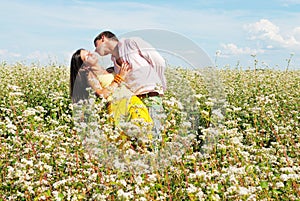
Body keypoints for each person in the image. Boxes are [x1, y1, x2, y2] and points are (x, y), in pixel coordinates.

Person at [93, 31, 167, 141]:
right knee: (139, 139)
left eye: (96, 45)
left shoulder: (131, 43)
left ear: (103, 38)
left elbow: (158, 61)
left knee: (153, 137)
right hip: (134, 102)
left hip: (150, 95)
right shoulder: (114, 60)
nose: (95, 50)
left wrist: (157, 83)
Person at [70, 48, 153, 127]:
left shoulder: (110, 69)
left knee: (144, 127)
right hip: (118, 105)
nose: (91, 54)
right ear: (85, 66)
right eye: (87, 56)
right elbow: (102, 94)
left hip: (132, 100)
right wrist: (119, 77)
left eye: (89, 52)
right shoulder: (90, 76)